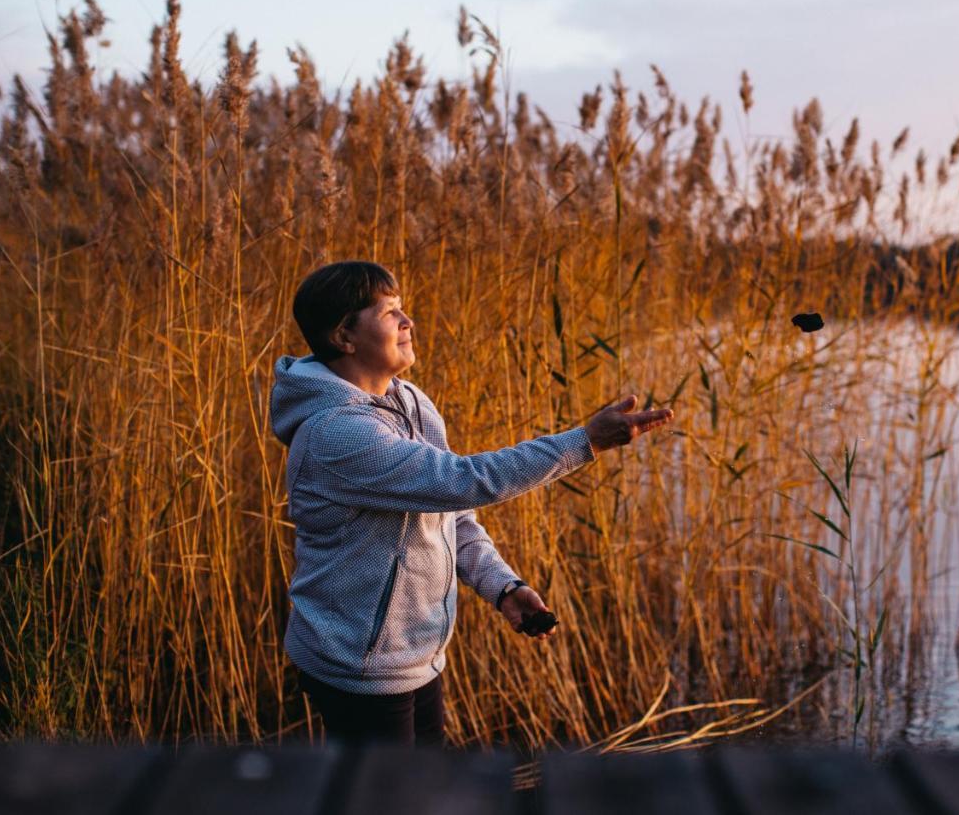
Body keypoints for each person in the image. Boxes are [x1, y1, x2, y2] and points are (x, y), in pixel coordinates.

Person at [269, 260, 673, 747]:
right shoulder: (338, 433)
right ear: (345, 337)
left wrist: (502, 586)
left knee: (426, 790)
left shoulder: (412, 402)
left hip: (413, 657)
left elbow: (452, 515)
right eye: (390, 312)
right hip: (356, 666)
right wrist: (584, 441)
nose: (407, 322)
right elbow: (466, 481)